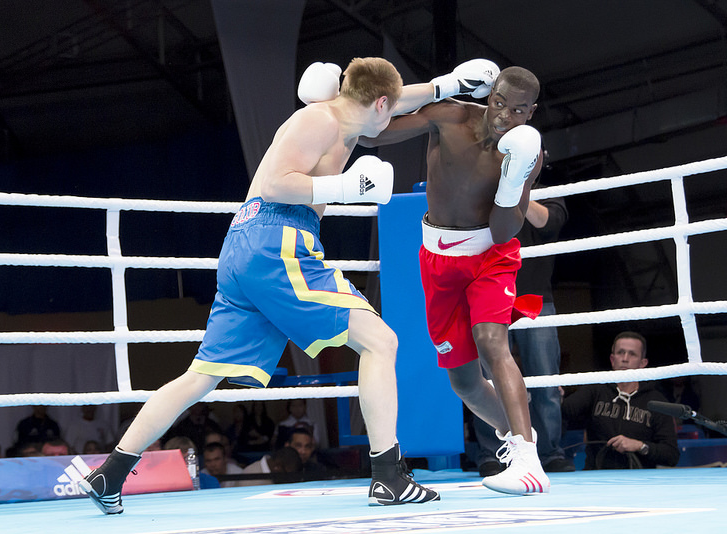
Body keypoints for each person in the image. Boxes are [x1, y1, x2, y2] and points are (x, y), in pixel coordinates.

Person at [78, 56, 486, 514]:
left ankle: (110, 472)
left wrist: (448, 85)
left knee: (201, 376)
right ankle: (389, 476)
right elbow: (275, 184)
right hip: (279, 241)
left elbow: (399, 96)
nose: (393, 115)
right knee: (380, 341)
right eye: (389, 108)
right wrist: (343, 189)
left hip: (248, 247)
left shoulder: (348, 115)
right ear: (378, 105)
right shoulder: (319, 120)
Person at [359, 62, 550, 494]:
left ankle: (528, 461)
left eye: (518, 110)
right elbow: (371, 134)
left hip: (490, 256)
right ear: (490, 94)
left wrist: (512, 179)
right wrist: (437, 87)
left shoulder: (528, 151)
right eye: (500, 103)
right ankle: (519, 434)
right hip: (439, 259)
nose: (505, 116)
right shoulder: (451, 115)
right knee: (464, 381)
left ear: (531, 112)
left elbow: (504, 230)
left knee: (491, 340)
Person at [469, 193, 575, 474]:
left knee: (545, 381)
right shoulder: (487, 190)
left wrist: (515, 189)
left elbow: (548, 222)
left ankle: (550, 452)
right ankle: (492, 454)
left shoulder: (547, 195)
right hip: (490, 293)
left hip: (534, 297)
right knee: (487, 379)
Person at [561, 331, 680, 469]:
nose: (625, 358)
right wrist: (555, 396)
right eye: (620, 353)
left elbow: (672, 455)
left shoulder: (656, 401)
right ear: (612, 359)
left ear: (642, 363)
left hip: (639, 478)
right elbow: (564, 411)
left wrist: (640, 446)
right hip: (597, 476)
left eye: (632, 354)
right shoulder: (596, 390)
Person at [236, 446, 303, 487]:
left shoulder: (272, 473)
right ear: (277, 467)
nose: (289, 482)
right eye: (288, 477)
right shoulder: (252, 482)